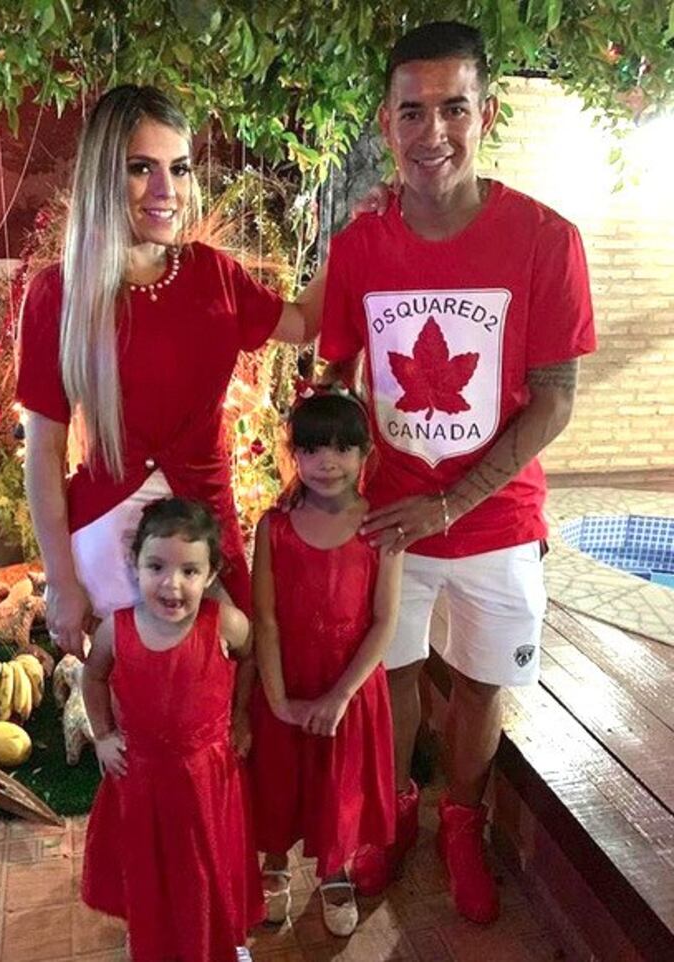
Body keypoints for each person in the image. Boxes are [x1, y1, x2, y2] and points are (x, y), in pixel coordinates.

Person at [320, 21, 596, 924]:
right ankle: (396, 813)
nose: (431, 131)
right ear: (386, 121)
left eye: (453, 108)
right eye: (412, 111)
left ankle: (462, 824)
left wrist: (453, 501)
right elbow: (338, 372)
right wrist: (329, 475)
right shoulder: (360, 245)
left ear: (486, 114)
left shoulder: (545, 240)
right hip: (389, 518)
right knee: (391, 676)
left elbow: (554, 398)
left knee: (480, 681)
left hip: (496, 519)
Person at [17, 84, 322, 669]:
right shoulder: (59, 293)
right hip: (108, 535)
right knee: (134, 701)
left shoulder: (213, 275)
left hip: (206, 522)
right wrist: (60, 579)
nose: (167, 190)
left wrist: (364, 233)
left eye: (178, 168)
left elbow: (304, 322)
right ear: (104, 177)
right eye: (141, 168)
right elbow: (44, 450)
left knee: (230, 684)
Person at [249, 389, 402, 937]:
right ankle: (273, 861)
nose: (326, 462)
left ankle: (334, 870)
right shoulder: (274, 528)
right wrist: (275, 700)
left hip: (349, 689)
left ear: (364, 454)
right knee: (277, 781)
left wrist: (339, 696)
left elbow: (383, 621)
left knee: (337, 787)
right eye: (311, 449)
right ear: (294, 454)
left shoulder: (382, 530)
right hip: (284, 681)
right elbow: (265, 619)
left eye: (341, 448)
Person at [80, 497, 259, 962]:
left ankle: (224, 938)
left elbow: (250, 658)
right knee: (150, 863)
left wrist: (240, 716)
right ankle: (149, 932)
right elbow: (93, 676)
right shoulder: (115, 631)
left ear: (211, 574)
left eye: (189, 571)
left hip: (206, 779)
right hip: (142, 779)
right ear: (134, 563)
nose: (171, 584)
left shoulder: (226, 624)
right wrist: (103, 735)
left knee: (208, 862)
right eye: (156, 566)